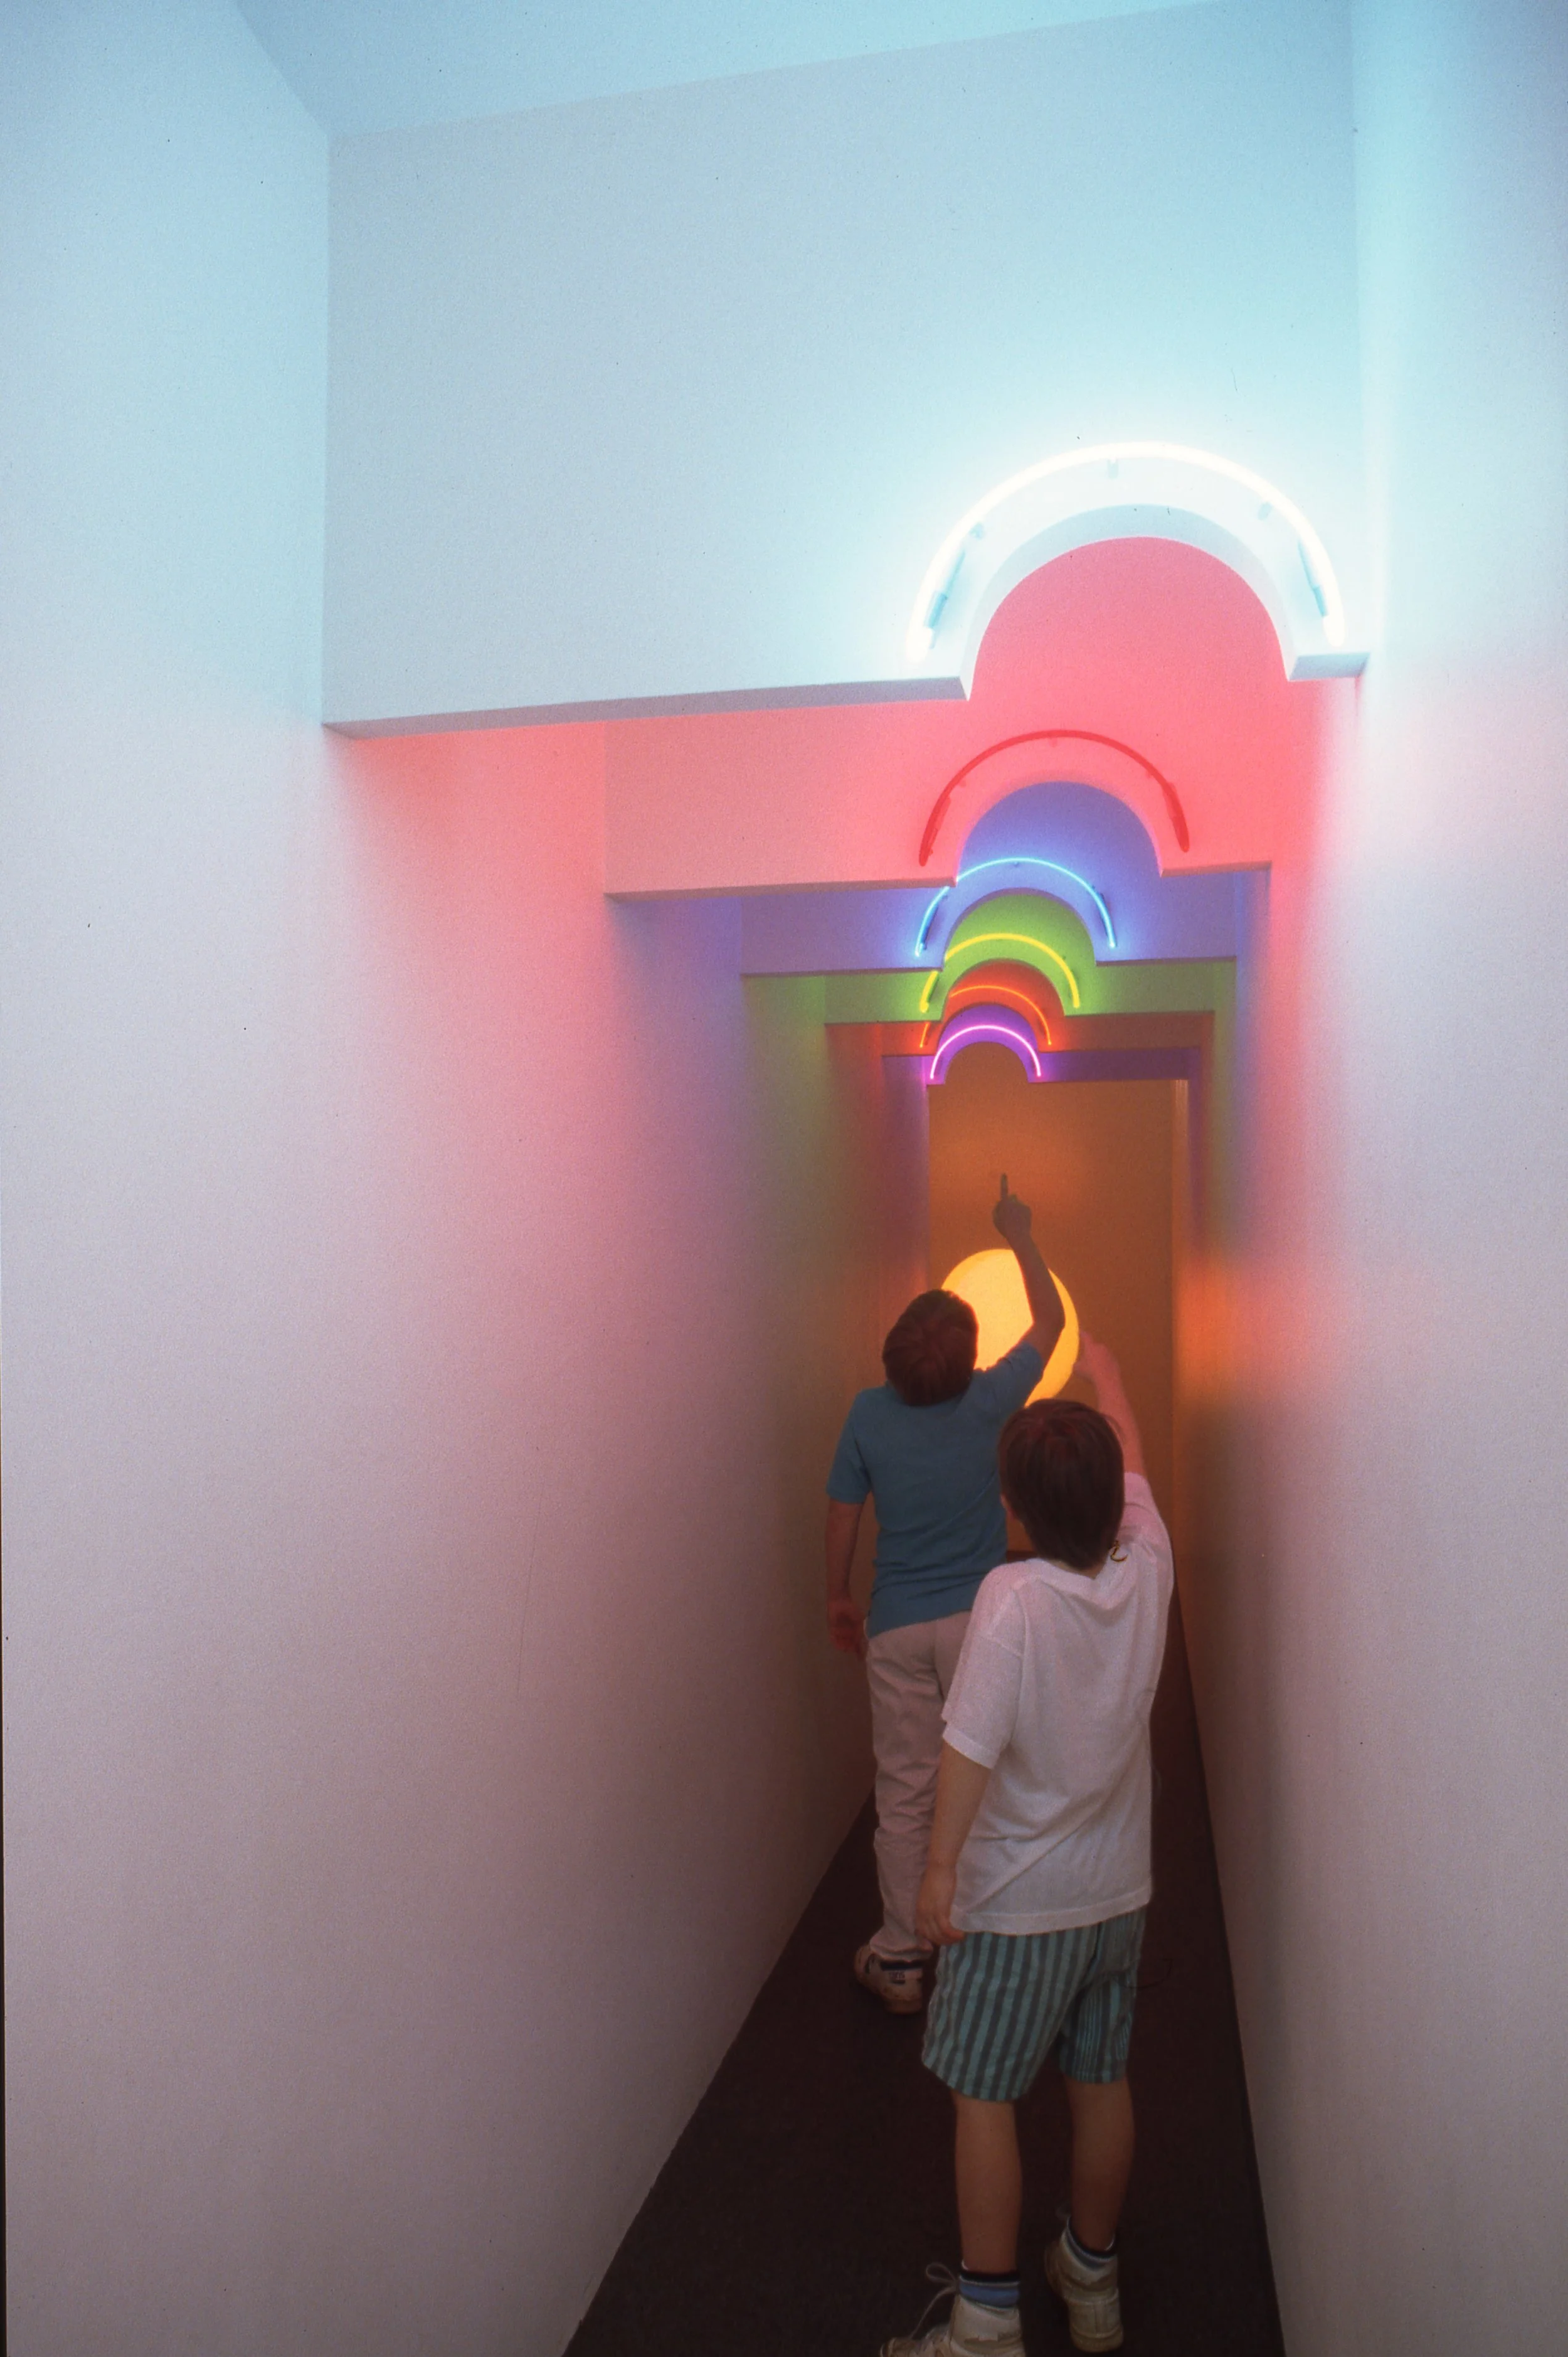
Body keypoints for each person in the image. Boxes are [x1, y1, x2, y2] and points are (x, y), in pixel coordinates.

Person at [882, 1336, 1172, 2357]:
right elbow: (1131, 1451)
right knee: (1102, 2083)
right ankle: (1092, 2282)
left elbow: (965, 1750)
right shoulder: (1150, 1555)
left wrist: (939, 1869)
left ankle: (984, 2325)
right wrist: (1110, 1371)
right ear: (1110, 1499)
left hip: (1015, 1907)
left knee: (986, 2098)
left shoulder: (1010, 1604)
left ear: (1013, 1510)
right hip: (1117, 1899)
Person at [825, 1178, 1064, 2014]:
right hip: (978, 1626)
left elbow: (844, 1515)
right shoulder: (990, 1400)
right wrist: (1020, 1235)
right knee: (989, 1773)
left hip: (895, 1630)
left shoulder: (865, 1414)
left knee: (906, 1792)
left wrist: (837, 1597)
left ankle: (900, 1961)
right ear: (967, 1361)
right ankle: (989, 1932)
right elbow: (1051, 1322)